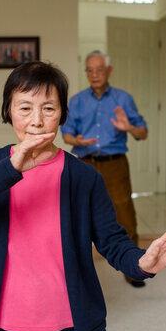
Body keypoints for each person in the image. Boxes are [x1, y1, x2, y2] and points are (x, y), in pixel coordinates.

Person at [0, 61, 166, 331]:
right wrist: (10, 169)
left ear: (61, 115)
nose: (36, 120)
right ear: (8, 111)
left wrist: (142, 263)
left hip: (74, 328)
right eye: (24, 108)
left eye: (48, 108)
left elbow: (113, 242)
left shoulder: (85, 177)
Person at [61, 50, 148, 287]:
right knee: (76, 215)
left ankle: (134, 269)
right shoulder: (77, 101)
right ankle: (74, 270)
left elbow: (143, 133)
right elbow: (66, 134)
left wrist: (128, 126)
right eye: (90, 70)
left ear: (109, 71)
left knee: (125, 215)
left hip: (115, 164)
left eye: (99, 69)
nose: (94, 74)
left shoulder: (123, 99)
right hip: (83, 163)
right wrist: (76, 141)